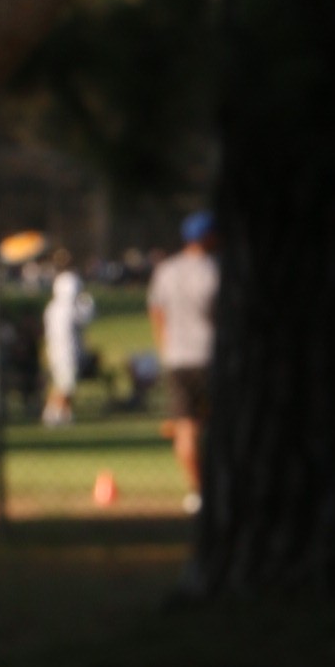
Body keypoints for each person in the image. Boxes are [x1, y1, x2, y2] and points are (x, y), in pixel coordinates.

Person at [148, 213, 217, 509]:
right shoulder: (215, 269)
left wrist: (165, 348)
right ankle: (218, 488)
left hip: (177, 358)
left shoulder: (167, 270)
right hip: (210, 357)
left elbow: (156, 312)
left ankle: (198, 492)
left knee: (185, 428)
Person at [42, 251, 93, 427]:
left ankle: (57, 412)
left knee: (62, 382)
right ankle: (58, 413)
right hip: (66, 349)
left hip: (58, 349)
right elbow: (84, 319)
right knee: (66, 382)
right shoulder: (67, 308)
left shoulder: (52, 308)